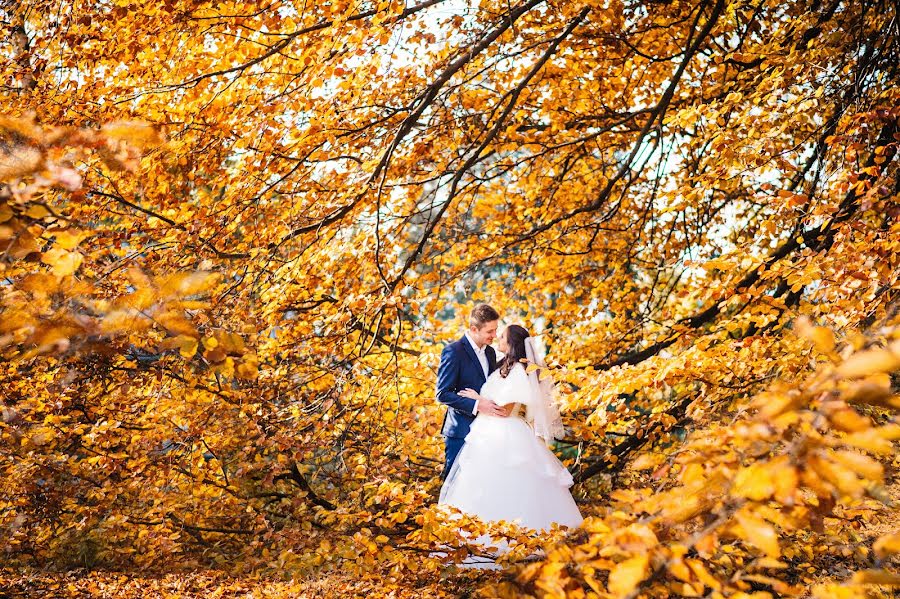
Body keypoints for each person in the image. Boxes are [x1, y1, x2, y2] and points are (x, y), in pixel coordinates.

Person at [439, 324, 583, 535]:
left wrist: (478, 399)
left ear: (512, 342)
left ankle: (517, 535)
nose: (498, 338)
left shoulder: (519, 371)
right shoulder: (501, 366)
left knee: (508, 481)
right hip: (487, 431)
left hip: (506, 434)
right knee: (481, 484)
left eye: (503, 336)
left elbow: (506, 410)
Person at [435, 303, 511, 481]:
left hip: (487, 431)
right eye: (489, 331)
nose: (494, 335)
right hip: (460, 432)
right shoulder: (453, 352)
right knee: (455, 486)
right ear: (474, 329)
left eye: (495, 330)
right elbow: (442, 393)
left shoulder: (491, 353)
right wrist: (477, 405)